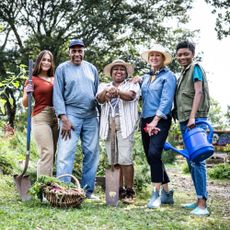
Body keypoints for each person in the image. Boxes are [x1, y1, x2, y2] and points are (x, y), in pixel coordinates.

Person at [53, 39, 100, 200]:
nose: (77, 54)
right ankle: (63, 190)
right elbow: (57, 94)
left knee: (92, 153)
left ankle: (87, 191)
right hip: (70, 115)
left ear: (84, 52)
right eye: (74, 51)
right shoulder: (62, 69)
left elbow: (96, 93)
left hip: (91, 115)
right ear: (69, 52)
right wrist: (63, 118)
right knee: (66, 152)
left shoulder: (92, 69)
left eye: (80, 51)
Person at [133, 44, 176, 208]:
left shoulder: (169, 76)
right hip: (145, 119)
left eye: (158, 55)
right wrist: (137, 80)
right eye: (152, 55)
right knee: (152, 156)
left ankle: (155, 194)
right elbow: (142, 92)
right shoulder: (147, 77)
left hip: (160, 119)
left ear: (163, 59)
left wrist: (155, 121)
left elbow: (166, 101)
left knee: (153, 153)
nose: (154, 58)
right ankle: (167, 193)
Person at [96, 59, 140, 204]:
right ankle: (118, 190)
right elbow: (99, 99)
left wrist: (118, 91)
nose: (119, 71)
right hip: (108, 124)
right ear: (111, 73)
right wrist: (107, 92)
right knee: (113, 159)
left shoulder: (132, 84)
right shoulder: (104, 85)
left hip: (125, 124)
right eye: (116, 69)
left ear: (126, 73)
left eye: (122, 69)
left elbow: (131, 96)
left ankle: (129, 191)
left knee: (125, 158)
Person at [174, 40, 210, 215]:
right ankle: (198, 199)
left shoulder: (195, 68)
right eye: (179, 54)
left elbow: (199, 92)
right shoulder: (183, 73)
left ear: (192, 54)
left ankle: (202, 204)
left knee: (198, 160)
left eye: (186, 54)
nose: (182, 57)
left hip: (194, 120)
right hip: (186, 120)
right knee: (192, 160)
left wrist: (193, 116)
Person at [22, 50, 58, 177]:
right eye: (44, 59)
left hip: (56, 117)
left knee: (52, 154)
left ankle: (49, 189)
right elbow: (25, 104)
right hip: (40, 116)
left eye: (49, 60)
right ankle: (43, 190)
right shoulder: (32, 80)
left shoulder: (55, 78)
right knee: (47, 152)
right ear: (39, 62)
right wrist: (27, 92)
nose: (46, 62)